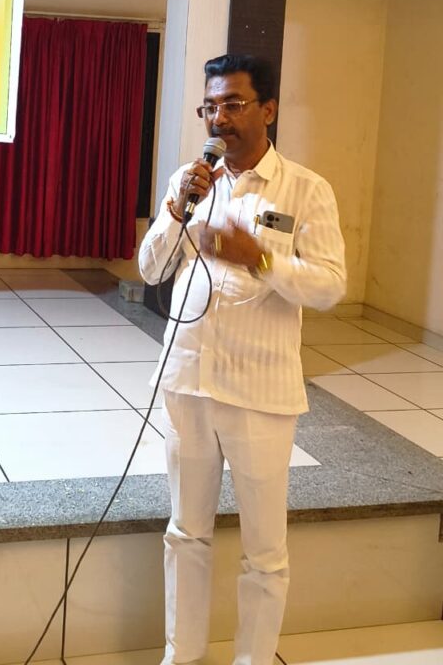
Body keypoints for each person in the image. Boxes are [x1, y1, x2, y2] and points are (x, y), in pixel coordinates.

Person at [139, 53, 346, 665]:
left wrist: (259, 257)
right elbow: (150, 269)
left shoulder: (305, 189)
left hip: (259, 391)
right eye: (210, 106)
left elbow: (330, 285)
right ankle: (182, 656)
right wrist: (176, 210)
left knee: (264, 552)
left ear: (268, 109)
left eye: (233, 103)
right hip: (187, 380)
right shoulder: (191, 179)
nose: (218, 118)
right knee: (186, 532)